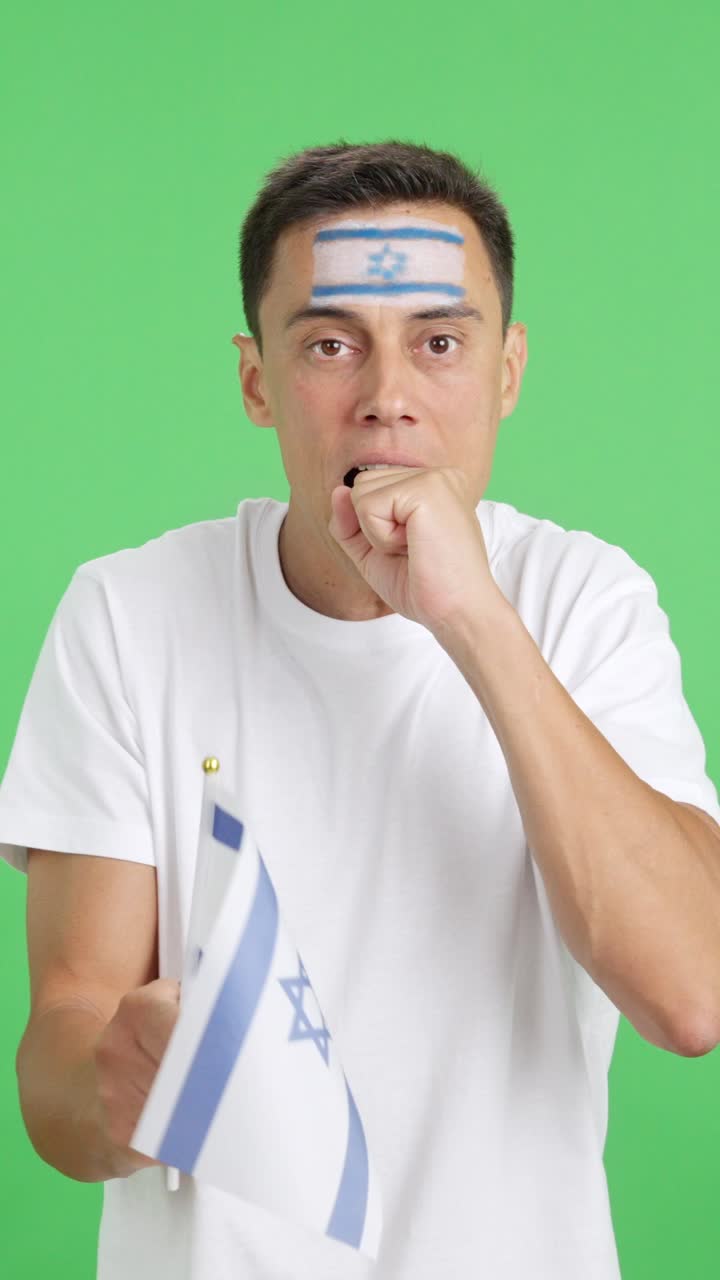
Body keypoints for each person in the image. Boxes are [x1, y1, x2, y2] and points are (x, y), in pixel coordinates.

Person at [1, 139, 719, 1280]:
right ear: (257, 381)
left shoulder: (587, 604)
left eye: (440, 343)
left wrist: (471, 617)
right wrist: (120, 1087)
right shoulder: (130, 614)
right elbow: (63, 1046)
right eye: (331, 344)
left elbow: (694, 991)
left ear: (507, 372)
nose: (388, 399)